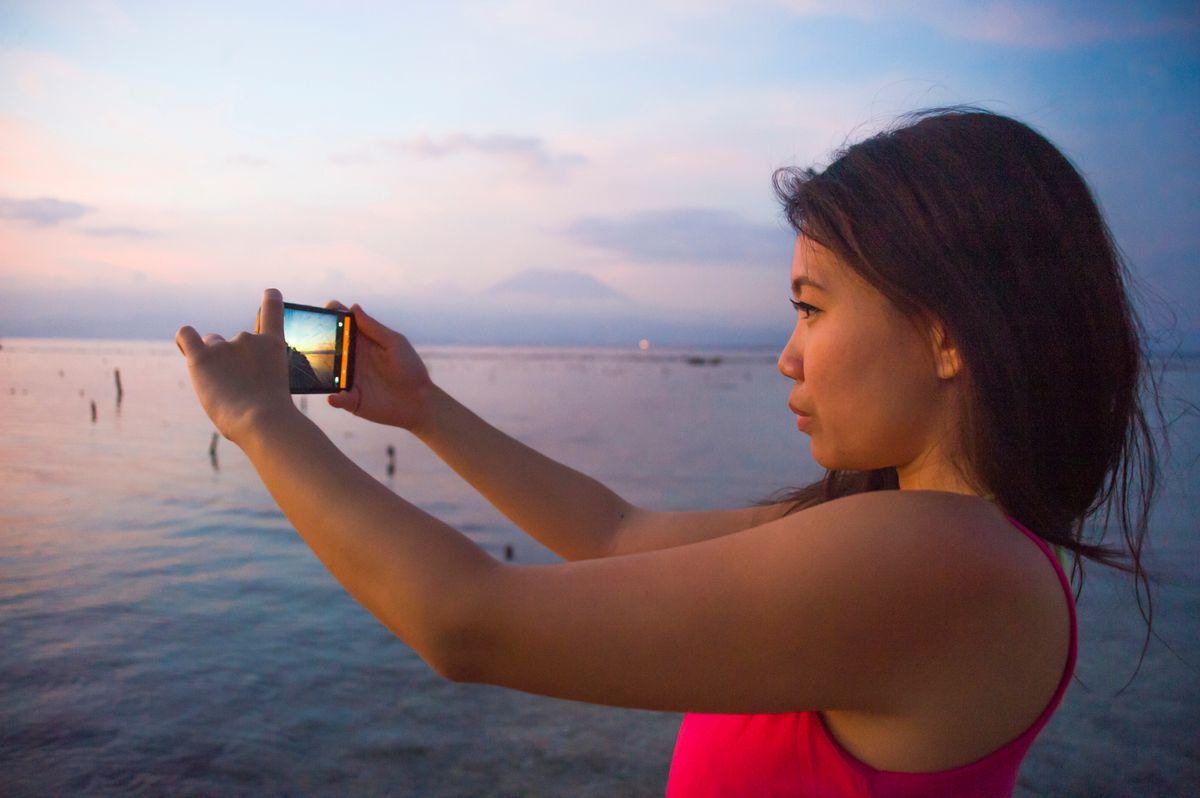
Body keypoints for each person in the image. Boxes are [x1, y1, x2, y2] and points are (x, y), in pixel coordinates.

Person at [175, 108, 1157, 797]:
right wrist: (427, 409)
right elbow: (615, 534)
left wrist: (266, 422)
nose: (786, 354)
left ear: (949, 335)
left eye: (811, 309)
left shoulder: (948, 563)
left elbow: (466, 624)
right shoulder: (910, 533)